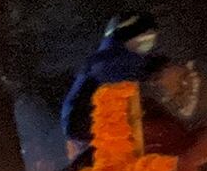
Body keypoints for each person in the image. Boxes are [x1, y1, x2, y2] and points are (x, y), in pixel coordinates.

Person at [61, 12, 161, 149]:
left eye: (151, 42)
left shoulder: (110, 59)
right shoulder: (106, 60)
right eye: (145, 40)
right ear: (128, 36)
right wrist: (152, 68)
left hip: (92, 129)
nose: (147, 47)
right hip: (87, 125)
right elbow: (119, 71)